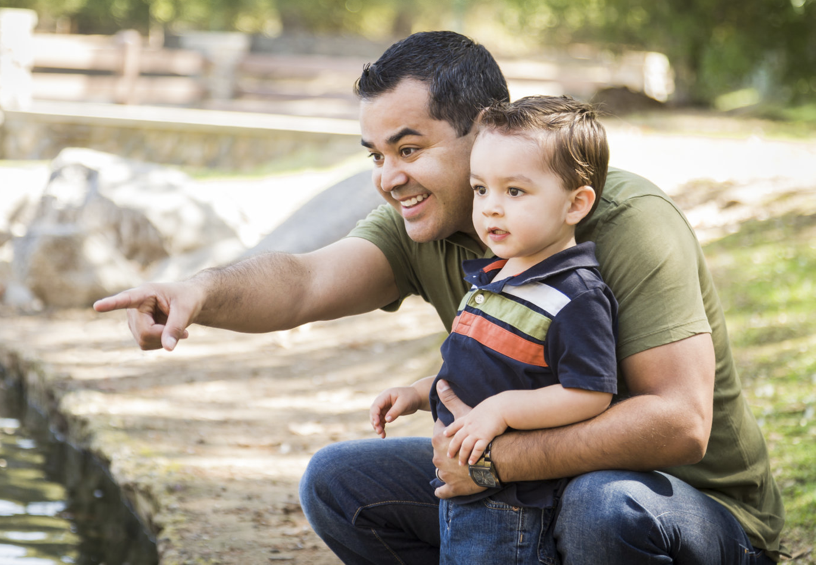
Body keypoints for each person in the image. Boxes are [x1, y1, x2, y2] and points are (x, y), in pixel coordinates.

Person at [93, 31, 785, 564]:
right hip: (529, 496)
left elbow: (679, 423)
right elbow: (303, 281)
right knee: (337, 484)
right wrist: (198, 292)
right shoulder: (422, 224)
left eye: (409, 148)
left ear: (485, 129)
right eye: (375, 155)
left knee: (599, 507)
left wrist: (494, 462)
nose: (388, 178)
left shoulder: (620, 221)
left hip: (687, 509)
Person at [368, 96, 619, 564]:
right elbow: (481, 370)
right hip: (461, 484)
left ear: (575, 204)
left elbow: (591, 393)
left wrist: (502, 411)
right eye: (481, 189)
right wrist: (422, 392)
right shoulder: (494, 276)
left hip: (511, 501)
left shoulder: (574, 296)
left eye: (515, 192)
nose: (491, 209)